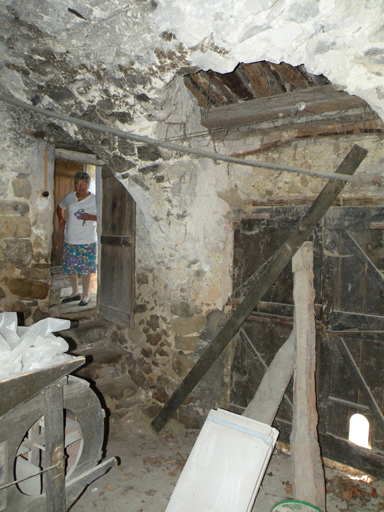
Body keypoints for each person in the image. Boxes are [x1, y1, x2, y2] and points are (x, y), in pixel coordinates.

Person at [57, 171, 97, 306]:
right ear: (75, 185)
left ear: (88, 185)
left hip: (87, 240)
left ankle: (86, 295)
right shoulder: (69, 197)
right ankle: (75, 293)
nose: (81, 187)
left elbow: (105, 216)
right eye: (78, 183)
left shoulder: (95, 199)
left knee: (85, 269)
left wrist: (90, 217)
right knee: (70, 268)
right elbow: (60, 207)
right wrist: (61, 221)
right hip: (70, 238)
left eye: (84, 184)